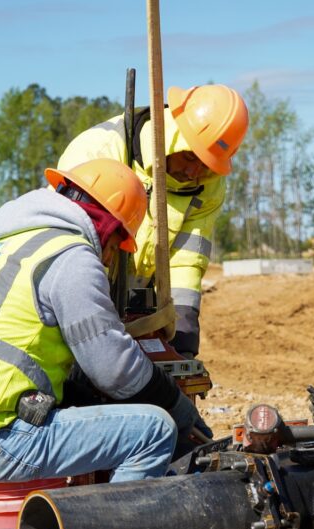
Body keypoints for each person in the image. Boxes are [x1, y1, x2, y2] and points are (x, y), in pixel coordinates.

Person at [0, 158, 205, 484]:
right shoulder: (72, 255)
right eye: (115, 247)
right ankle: (111, 518)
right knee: (153, 430)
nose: (109, 258)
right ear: (108, 228)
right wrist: (174, 402)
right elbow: (114, 370)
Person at [57, 84, 249, 358]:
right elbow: (70, 253)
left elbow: (186, 261)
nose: (194, 172)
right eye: (189, 157)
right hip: (79, 293)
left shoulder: (209, 186)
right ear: (172, 138)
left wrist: (182, 341)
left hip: (139, 299)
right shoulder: (99, 151)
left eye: (206, 164)